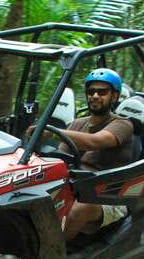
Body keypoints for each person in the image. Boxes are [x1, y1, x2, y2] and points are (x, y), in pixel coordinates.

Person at [31, 68, 134, 240]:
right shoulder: (77, 124)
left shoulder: (123, 124)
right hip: (75, 187)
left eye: (102, 92)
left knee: (79, 209)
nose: (95, 96)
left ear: (114, 96)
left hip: (108, 195)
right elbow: (61, 158)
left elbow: (95, 141)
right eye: (91, 91)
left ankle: (54, 258)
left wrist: (52, 131)